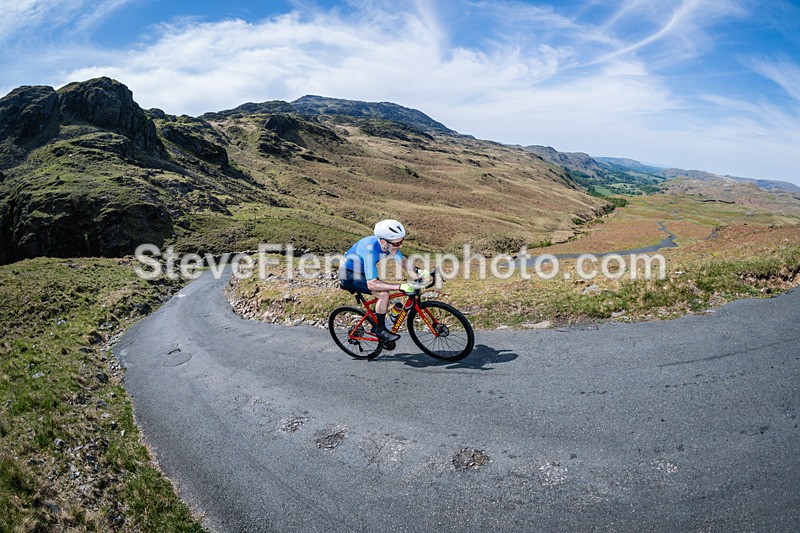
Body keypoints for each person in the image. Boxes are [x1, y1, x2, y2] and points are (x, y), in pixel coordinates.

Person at [339, 219, 429, 342]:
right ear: (383, 241)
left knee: (384, 291)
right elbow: (371, 284)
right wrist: (400, 286)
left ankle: (377, 321)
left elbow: (402, 260)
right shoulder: (370, 251)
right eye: (397, 243)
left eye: (401, 241)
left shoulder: (389, 245)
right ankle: (380, 330)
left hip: (362, 271)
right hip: (349, 275)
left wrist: (418, 271)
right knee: (383, 294)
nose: (400, 246)